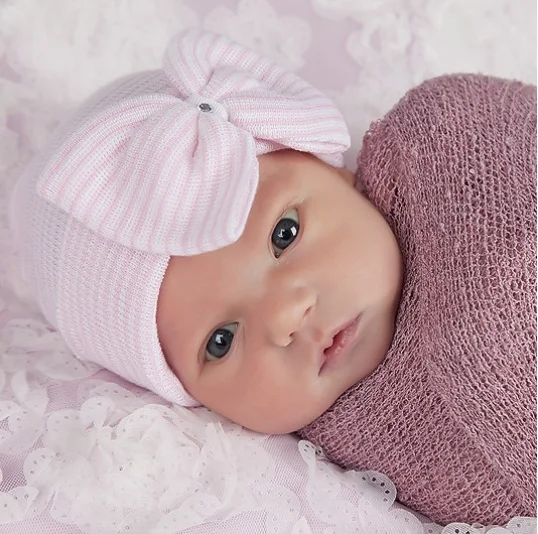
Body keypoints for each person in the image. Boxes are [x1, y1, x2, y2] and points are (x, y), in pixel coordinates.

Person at [10, 28, 535, 524]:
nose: (285, 316)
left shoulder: (445, 140)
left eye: (283, 235)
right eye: (221, 341)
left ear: (330, 169)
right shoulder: (353, 453)